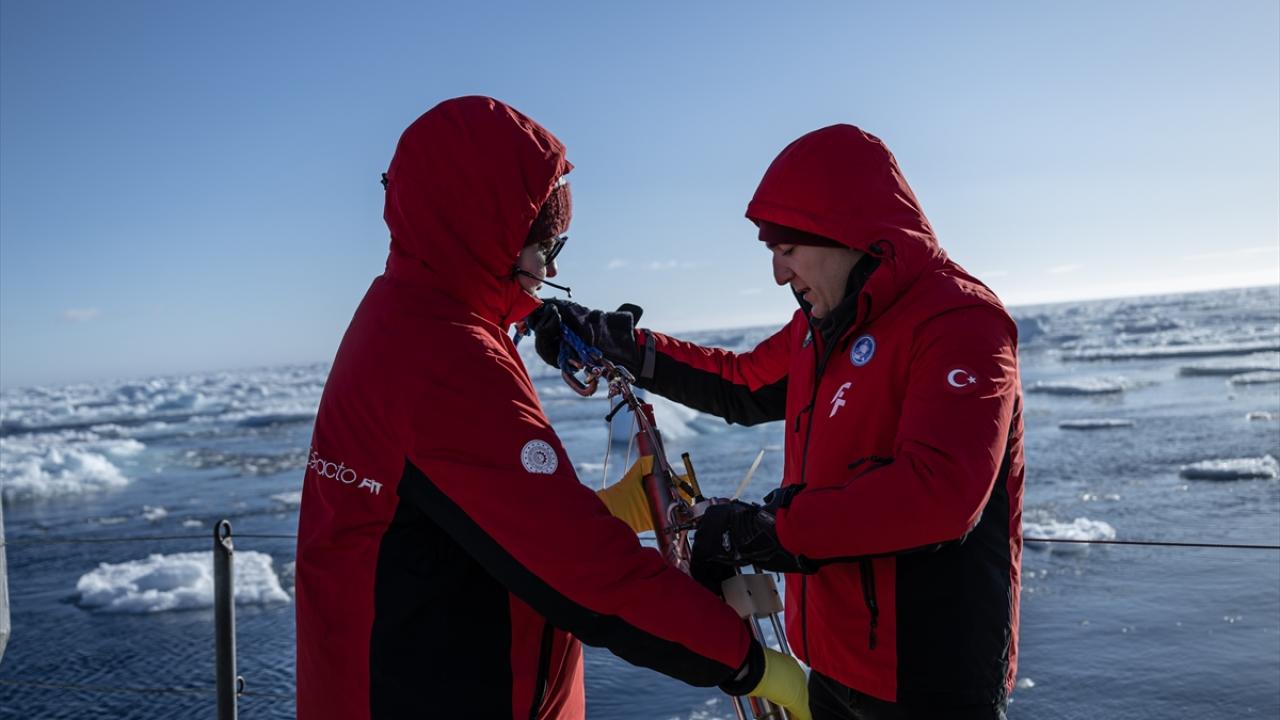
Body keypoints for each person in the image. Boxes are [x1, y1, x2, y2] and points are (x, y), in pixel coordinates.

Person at [293, 96, 809, 720]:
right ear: (489, 234)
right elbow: (586, 575)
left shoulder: (410, 319)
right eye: (546, 245)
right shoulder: (446, 358)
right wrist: (754, 666)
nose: (554, 268)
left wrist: (602, 510)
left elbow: (480, 522)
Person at [529, 124, 1024, 720]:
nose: (778, 274)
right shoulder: (824, 325)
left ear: (849, 233)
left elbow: (938, 496)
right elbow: (740, 384)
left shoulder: (958, 322)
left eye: (787, 250)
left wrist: (767, 530)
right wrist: (624, 345)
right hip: (837, 668)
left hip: (929, 681)